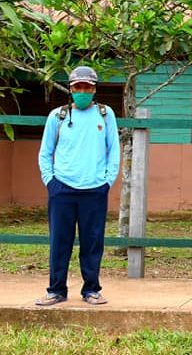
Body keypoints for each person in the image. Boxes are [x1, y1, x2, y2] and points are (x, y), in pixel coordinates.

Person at [35, 65, 120, 306]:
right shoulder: (57, 116)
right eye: (78, 87)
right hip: (62, 188)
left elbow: (114, 149)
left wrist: (107, 181)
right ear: (71, 89)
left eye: (87, 87)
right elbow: (45, 152)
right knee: (59, 242)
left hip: (95, 189)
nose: (82, 91)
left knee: (92, 242)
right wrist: (50, 181)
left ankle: (91, 289)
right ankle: (56, 290)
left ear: (94, 89)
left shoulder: (105, 114)